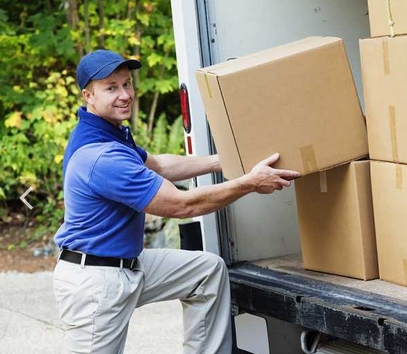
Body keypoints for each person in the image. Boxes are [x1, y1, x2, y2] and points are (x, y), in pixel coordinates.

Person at [52, 49, 300, 354]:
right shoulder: (102, 157)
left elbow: (162, 166)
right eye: (111, 88)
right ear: (88, 95)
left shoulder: (108, 134)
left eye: (127, 84)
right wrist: (249, 183)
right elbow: (183, 205)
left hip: (128, 264)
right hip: (96, 282)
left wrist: (225, 161)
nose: (124, 94)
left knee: (206, 272)